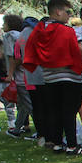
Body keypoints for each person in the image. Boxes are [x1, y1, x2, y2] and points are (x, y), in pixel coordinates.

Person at [23, 0, 82, 154]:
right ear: (58, 11)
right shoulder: (66, 31)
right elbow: (78, 53)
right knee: (69, 111)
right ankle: (72, 145)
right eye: (67, 12)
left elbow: (30, 52)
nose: (69, 16)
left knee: (55, 110)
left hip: (49, 76)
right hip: (69, 76)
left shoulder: (38, 31)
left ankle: (58, 143)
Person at [16, 17, 47, 145]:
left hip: (30, 76)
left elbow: (17, 57)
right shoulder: (39, 33)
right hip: (44, 75)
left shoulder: (23, 35)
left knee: (37, 107)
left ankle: (42, 134)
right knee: (46, 107)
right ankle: (49, 135)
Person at [2, 15, 31, 138]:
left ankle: (44, 130)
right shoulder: (23, 35)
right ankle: (17, 129)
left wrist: (10, 74)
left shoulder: (9, 36)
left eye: (4, 23)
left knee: (28, 104)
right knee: (23, 104)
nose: (3, 26)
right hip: (29, 73)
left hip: (20, 76)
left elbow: (12, 56)